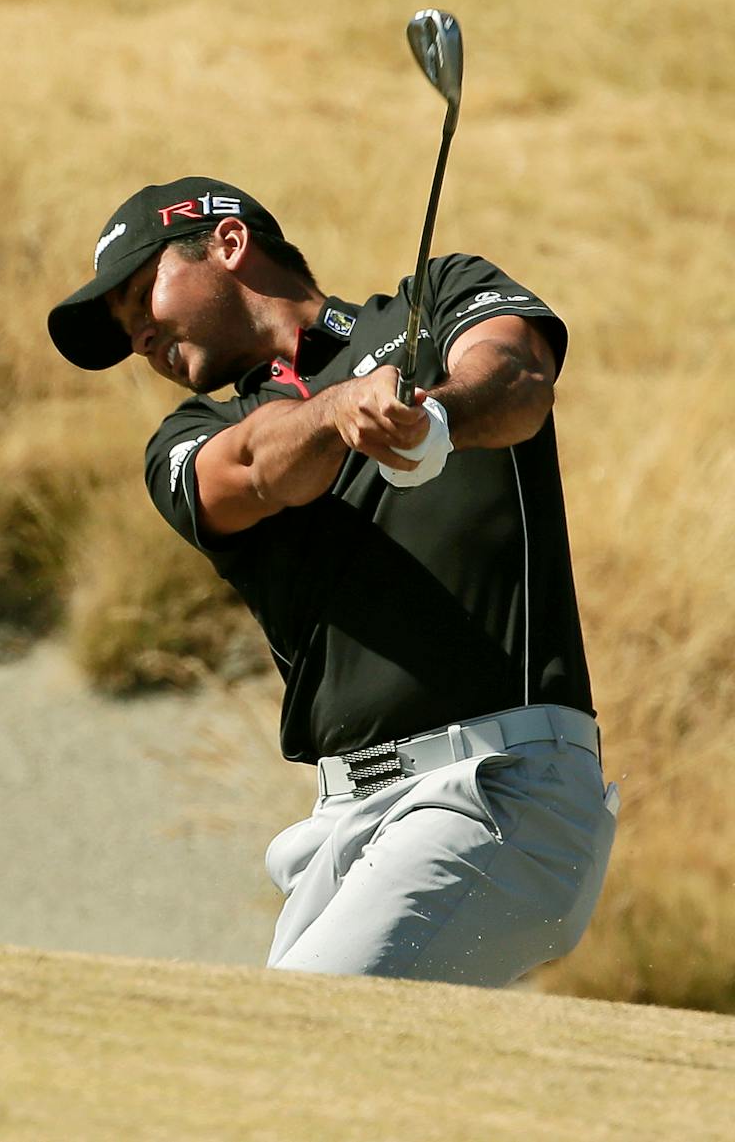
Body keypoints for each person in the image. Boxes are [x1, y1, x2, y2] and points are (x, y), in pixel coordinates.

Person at [46, 176, 619, 985]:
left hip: (499, 786)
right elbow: (248, 470)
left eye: (143, 296)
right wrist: (340, 411)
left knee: (286, 1062)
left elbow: (518, 377)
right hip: (340, 826)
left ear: (229, 244)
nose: (139, 336)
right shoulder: (190, 435)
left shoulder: (440, 298)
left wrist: (441, 420)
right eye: (125, 330)